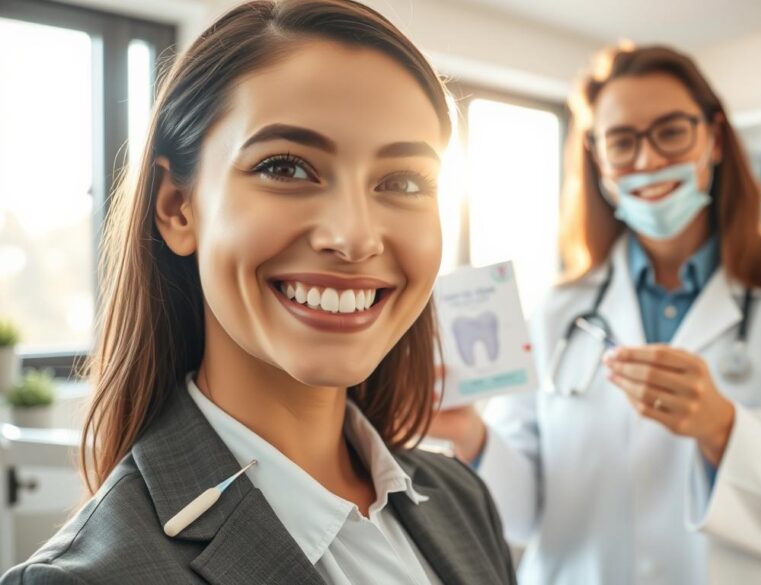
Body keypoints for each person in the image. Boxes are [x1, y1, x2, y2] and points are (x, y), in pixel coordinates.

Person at [1, 1, 515, 583]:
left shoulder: (461, 498)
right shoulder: (84, 579)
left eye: (402, 181)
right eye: (286, 167)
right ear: (177, 207)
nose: (353, 237)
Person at [430, 43, 761, 585]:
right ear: (598, 159)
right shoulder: (558, 309)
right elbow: (524, 515)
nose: (648, 161)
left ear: (714, 139)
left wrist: (723, 430)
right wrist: (470, 436)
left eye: (671, 132)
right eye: (622, 142)